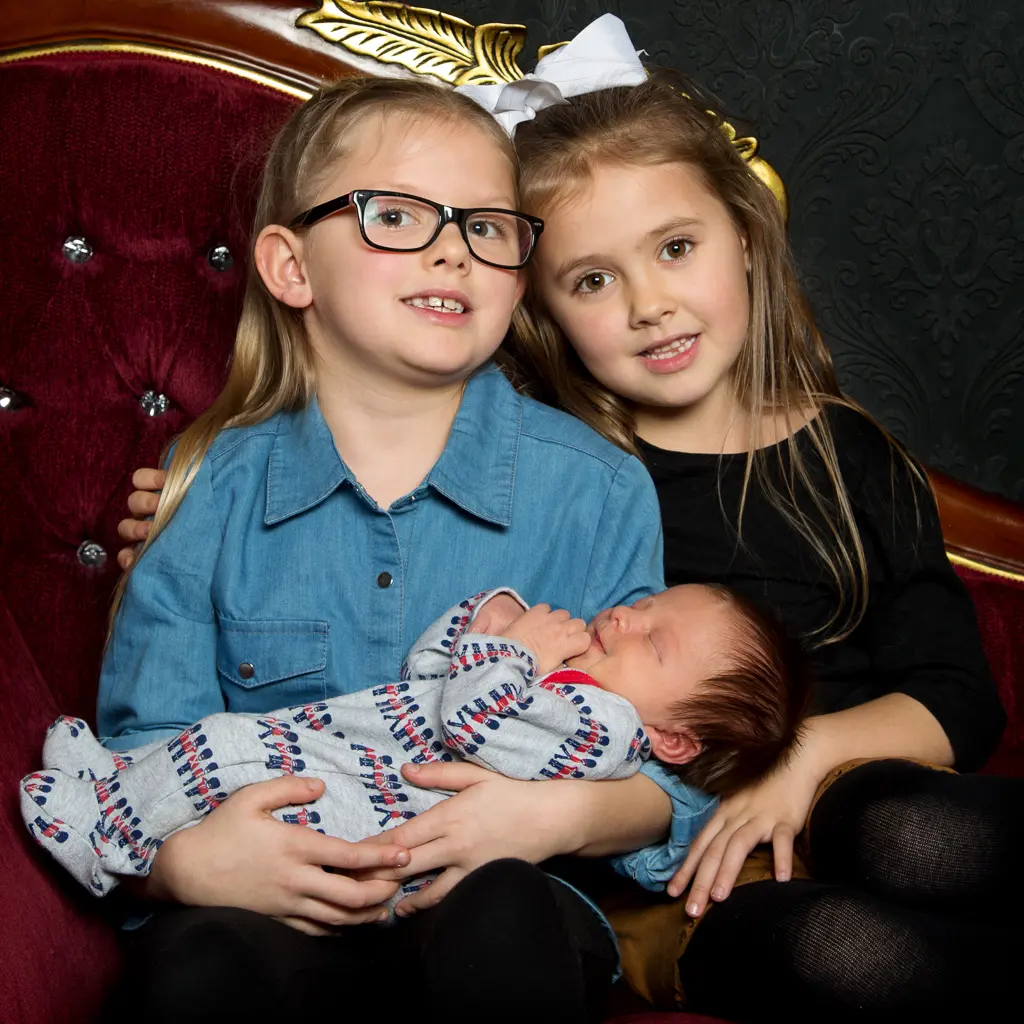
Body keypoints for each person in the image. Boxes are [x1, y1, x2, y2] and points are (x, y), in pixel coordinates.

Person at [114, 16, 1021, 1022]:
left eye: (676, 247)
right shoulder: (594, 464)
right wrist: (204, 490)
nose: (647, 305)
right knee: (839, 945)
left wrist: (781, 767)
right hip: (662, 878)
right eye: (592, 279)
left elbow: (954, 687)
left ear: (748, 239)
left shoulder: (726, 470)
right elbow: (155, 727)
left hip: (788, 800)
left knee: (899, 829)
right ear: (543, 305)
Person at [92, 73, 694, 1024]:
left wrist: (555, 817)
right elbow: (145, 744)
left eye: (488, 228)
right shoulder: (209, 485)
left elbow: (666, 759)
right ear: (292, 268)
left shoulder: (597, 488)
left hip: (495, 897)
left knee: (503, 925)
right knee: (197, 965)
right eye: (400, 216)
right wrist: (182, 866)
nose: (454, 253)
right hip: (275, 910)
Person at [23, 584, 809, 902]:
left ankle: (102, 839)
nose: (625, 619)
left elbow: (474, 721)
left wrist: (517, 655)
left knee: (228, 751)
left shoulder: (602, 732)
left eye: (655, 644)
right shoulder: (571, 684)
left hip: (372, 814)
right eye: (645, 604)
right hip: (350, 753)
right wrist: (482, 620)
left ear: (672, 741)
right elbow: (429, 676)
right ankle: (120, 781)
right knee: (224, 741)